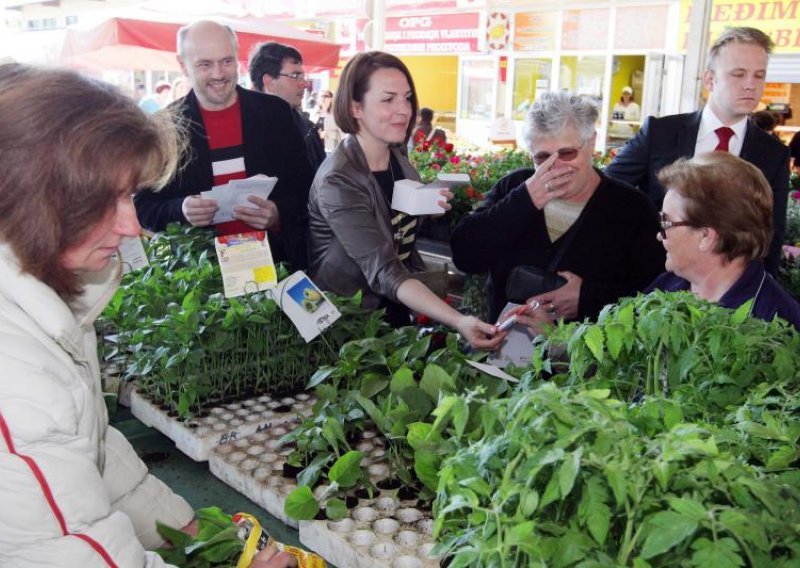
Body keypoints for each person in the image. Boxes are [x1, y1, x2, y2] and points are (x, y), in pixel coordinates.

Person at [0, 63, 294, 568]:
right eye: (104, 201)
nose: (133, 225)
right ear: (32, 198)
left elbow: (84, 448)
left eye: (129, 196)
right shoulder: (15, 369)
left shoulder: (44, 296)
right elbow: (70, 552)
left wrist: (183, 528)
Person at [307, 51, 502, 349]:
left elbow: (395, 228)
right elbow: (384, 268)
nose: (404, 110)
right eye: (388, 100)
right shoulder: (339, 179)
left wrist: (427, 205)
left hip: (392, 311)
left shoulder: (398, 160)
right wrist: (458, 320)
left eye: (407, 98)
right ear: (355, 107)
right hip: (346, 327)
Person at [450, 91, 665, 330]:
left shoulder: (631, 209)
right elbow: (464, 255)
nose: (555, 166)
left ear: (591, 143)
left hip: (589, 362)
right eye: (542, 157)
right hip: (503, 358)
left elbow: (656, 295)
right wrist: (525, 200)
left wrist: (588, 298)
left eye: (566, 153)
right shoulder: (515, 187)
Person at [605, 27, 790, 275]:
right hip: (648, 281)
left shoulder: (774, 154)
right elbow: (607, 192)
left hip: (728, 298)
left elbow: (771, 235)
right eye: (738, 74)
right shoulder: (660, 133)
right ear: (709, 80)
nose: (750, 85)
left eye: (759, 76)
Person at [133, 20, 314, 270]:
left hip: (276, 265)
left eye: (227, 61)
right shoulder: (165, 127)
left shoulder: (276, 114)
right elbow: (143, 207)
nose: (219, 74)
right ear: (183, 65)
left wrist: (277, 213)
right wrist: (181, 210)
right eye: (205, 64)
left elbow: (308, 189)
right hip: (202, 280)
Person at [648, 152, 800, 330]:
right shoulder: (667, 286)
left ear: (705, 236)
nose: (659, 235)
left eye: (666, 222)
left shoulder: (778, 326)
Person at [248, 42, 326, 171]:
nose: (305, 84)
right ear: (269, 82)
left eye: (303, 76)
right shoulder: (244, 133)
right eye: (295, 76)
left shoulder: (308, 131)